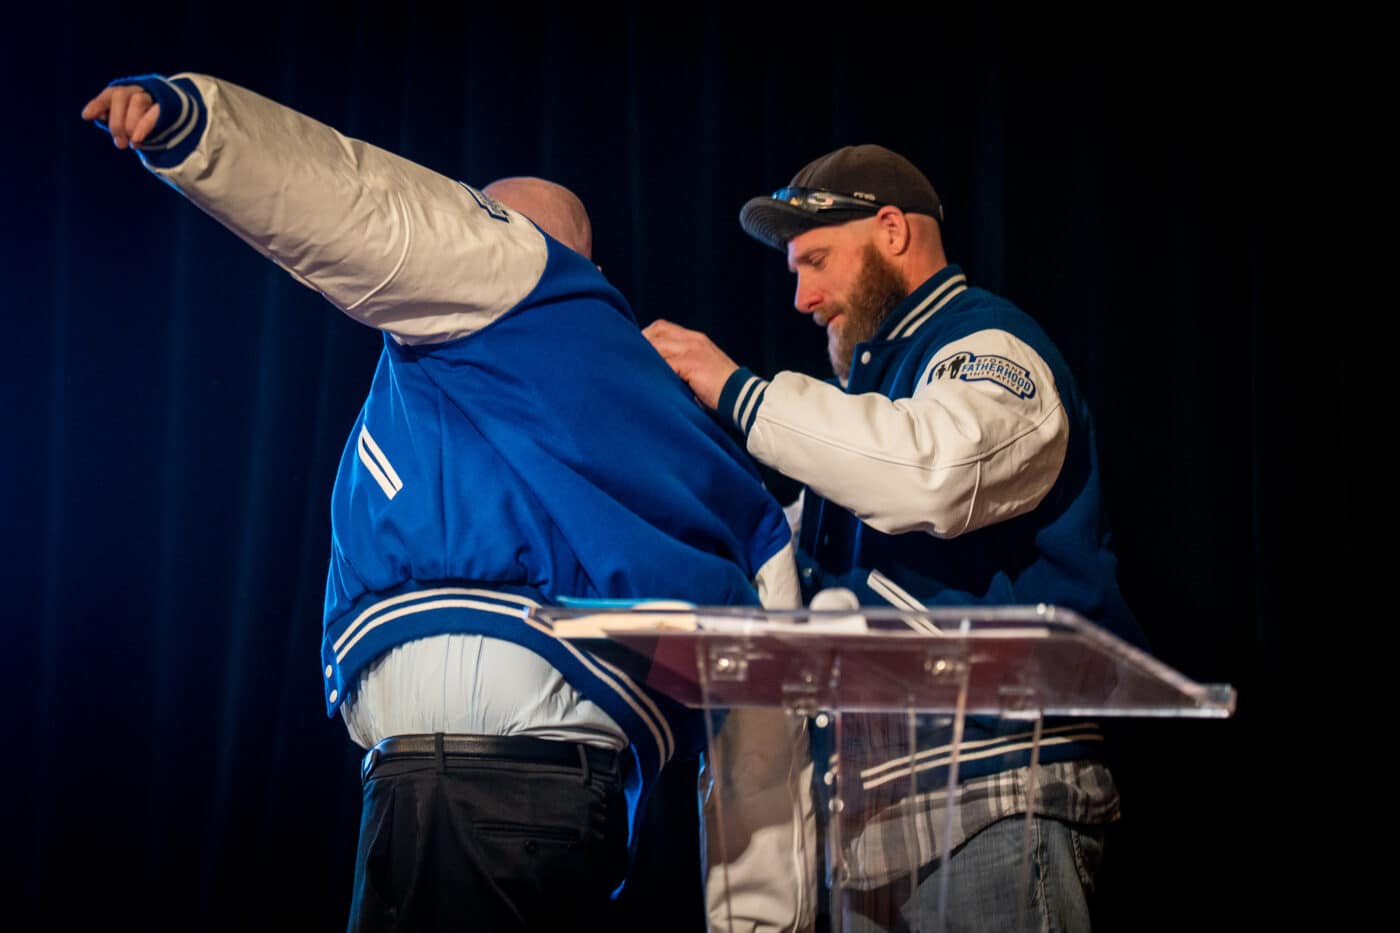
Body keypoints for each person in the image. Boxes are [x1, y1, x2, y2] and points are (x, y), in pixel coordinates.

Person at [83, 73, 814, 933]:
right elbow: (767, 652)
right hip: (509, 799)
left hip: (478, 792)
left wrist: (197, 127)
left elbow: (367, 204)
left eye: (473, 218)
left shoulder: (518, 282)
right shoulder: (674, 429)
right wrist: (765, 914)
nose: (458, 232)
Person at [644, 144, 1149, 932]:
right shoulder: (863, 415)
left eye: (816, 261)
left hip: (990, 799)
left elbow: (935, 471)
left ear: (891, 229)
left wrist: (734, 389)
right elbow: (790, 560)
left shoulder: (990, 346)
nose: (804, 297)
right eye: (794, 273)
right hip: (866, 826)